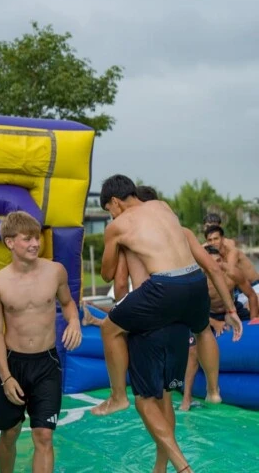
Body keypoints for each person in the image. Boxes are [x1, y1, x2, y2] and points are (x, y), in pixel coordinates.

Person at [92, 175, 242, 419]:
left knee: (109, 329)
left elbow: (110, 276)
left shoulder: (118, 226)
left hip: (164, 288)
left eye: (110, 210)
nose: (111, 215)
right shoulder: (163, 207)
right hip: (194, 280)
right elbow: (212, 268)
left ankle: (117, 397)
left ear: (116, 202)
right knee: (202, 330)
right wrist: (231, 309)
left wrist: (115, 243)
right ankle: (214, 390)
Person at [0, 210, 82, 473]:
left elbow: (68, 303)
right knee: (10, 433)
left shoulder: (55, 271)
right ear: (10, 242)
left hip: (47, 363)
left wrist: (74, 322)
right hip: (13, 364)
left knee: (44, 436)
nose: (35, 244)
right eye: (27, 239)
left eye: (36, 238)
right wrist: (5, 378)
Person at [180, 245, 252, 412]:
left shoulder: (232, 274)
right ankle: (187, 398)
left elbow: (252, 296)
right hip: (207, 315)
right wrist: (215, 323)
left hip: (232, 310)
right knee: (192, 351)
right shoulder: (199, 281)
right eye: (212, 263)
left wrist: (254, 320)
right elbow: (192, 311)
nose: (217, 266)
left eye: (219, 261)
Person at [204, 224, 259, 307]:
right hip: (239, 290)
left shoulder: (232, 252)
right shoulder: (213, 254)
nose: (213, 243)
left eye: (216, 239)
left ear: (222, 239)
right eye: (210, 240)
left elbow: (229, 272)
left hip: (254, 286)